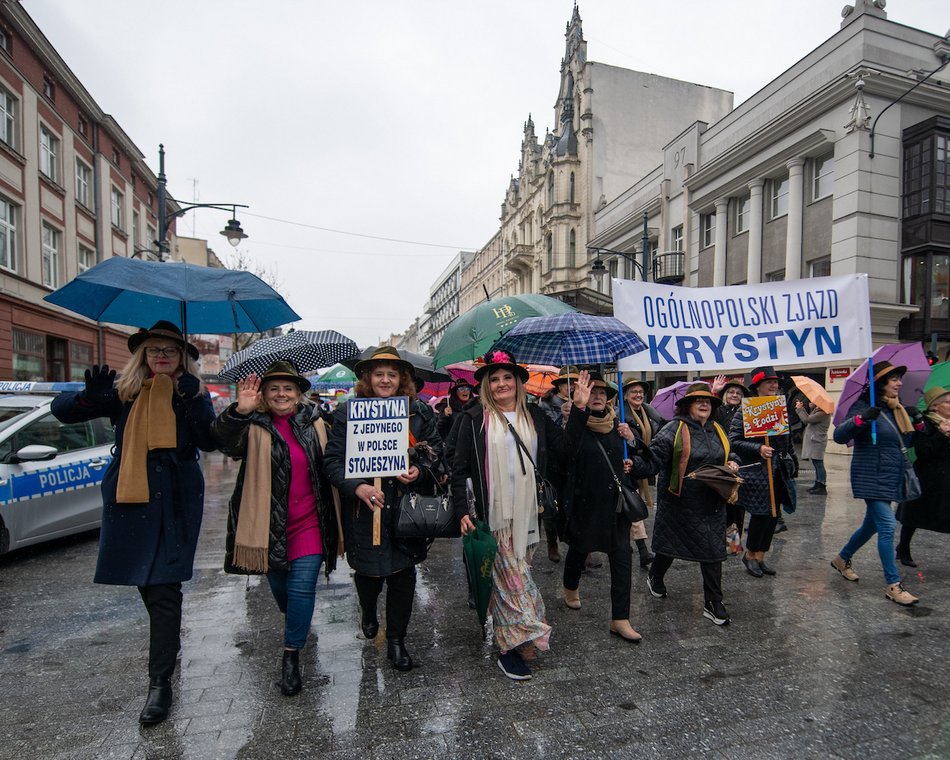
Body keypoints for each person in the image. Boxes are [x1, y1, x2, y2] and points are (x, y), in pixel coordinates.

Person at [50, 320, 216, 726]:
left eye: (170, 351)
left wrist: (194, 402)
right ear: (142, 355)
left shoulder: (190, 393)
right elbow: (61, 412)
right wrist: (88, 399)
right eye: (154, 350)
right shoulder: (123, 391)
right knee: (147, 583)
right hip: (131, 495)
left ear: (182, 359)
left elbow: (211, 442)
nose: (161, 356)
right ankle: (168, 647)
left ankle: (159, 684)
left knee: (163, 586)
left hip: (176, 495)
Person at [212, 361, 338, 696]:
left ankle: (291, 657)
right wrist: (239, 410)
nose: (282, 394)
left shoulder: (316, 422)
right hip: (266, 525)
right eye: (274, 388)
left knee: (301, 588)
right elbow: (222, 443)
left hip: (311, 520)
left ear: (298, 393)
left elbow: (340, 457)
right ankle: (297, 622)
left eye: (288, 388)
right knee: (282, 591)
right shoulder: (252, 423)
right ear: (264, 394)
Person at [323, 346, 442, 671]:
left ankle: (397, 642)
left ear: (402, 378)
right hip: (365, 512)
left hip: (405, 511)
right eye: (379, 373)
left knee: (404, 576)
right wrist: (357, 486)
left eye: (392, 374)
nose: (386, 379)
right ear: (368, 378)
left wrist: (419, 468)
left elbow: (436, 452)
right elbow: (331, 462)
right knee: (369, 574)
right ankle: (368, 611)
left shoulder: (418, 413)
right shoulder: (349, 413)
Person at [452, 349, 564, 681]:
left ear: (518, 383)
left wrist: (581, 411)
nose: (501, 384)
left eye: (507, 378)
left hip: (529, 515)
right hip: (493, 517)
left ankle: (515, 639)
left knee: (508, 584)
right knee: (516, 582)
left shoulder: (537, 416)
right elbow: (458, 469)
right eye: (494, 379)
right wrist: (462, 510)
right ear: (486, 385)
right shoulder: (473, 420)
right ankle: (514, 641)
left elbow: (565, 451)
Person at [561, 370, 656, 641]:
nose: (598, 396)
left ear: (611, 399)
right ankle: (570, 587)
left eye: (603, 393)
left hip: (616, 506)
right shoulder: (574, 425)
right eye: (592, 392)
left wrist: (633, 446)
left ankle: (620, 618)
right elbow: (566, 454)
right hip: (585, 503)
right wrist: (576, 414)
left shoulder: (621, 426)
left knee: (622, 558)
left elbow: (648, 463)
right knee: (580, 549)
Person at [643, 383, 739, 626]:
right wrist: (635, 461)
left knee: (713, 551)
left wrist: (734, 464)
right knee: (668, 546)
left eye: (708, 401)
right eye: (698, 401)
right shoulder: (673, 429)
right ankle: (655, 575)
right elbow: (654, 458)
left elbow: (730, 454)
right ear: (688, 405)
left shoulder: (718, 428)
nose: (705, 404)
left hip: (712, 502)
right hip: (679, 503)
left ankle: (713, 602)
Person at [830, 361, 923, 605]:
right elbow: (840, 435)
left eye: (899, 379)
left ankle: (842, 558)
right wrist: (861, 419)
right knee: (887, 525)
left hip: (891, 475)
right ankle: (893, 584)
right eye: (894, 379)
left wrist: (918, 422)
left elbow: (906, 444)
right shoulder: (863, 406)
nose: (899, 383)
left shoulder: (896, 409)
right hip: (870, 474)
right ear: (881, 383)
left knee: (870, 526)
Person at [729, 366, 796, 578]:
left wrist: (791, 458)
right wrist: (758, 448)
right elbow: (734, 441)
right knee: (761, 515)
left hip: (777, 471)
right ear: (758, 386)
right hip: (757, 472)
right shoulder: (745, 410)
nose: (774, 386)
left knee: (774, 516)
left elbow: (787, 439)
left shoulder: (779, 408)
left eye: (776, 382)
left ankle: (760, 556)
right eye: (769, 382)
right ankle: (749, 555)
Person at [896, 386, 950, 566]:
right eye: (948, 402)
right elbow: (924, 451)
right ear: (935, 406)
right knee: (914, 515)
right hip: (928, 477)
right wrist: (942, 434)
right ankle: (903, 548)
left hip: (947, 476)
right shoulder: (925, 423)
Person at [620, 376, 665, 568]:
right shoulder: (620, 416)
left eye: (640, 392)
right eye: (633, 392)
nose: (638, 395)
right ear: (626, 396)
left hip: (644, 465)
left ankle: (630, 546)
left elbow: (660, 432)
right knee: (633, 508)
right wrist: (631, 440)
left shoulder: (650, 413)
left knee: (630, 509)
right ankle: (642, 550)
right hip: (628, 467)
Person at [712, 377, 748, 553]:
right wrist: (716, 391)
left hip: (740, 463)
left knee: (736, 506)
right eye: (731, 392)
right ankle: (717, 541)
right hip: (721, 461)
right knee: (720, 504)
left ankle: (733, 544)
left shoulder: (745, 412)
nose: (734, 395)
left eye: (738, 393)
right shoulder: (718, 410)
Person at [795, 398, 831, 495]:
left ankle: (822, 485)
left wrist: (800, 409)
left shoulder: (823, 413)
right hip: (815, 441)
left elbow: (806, 420)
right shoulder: (818, 411)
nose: (812, 401)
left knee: (819, 464)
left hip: (817, 441)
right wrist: (811, 408)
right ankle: (818, 483)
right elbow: (811, 418)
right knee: (816, 463)